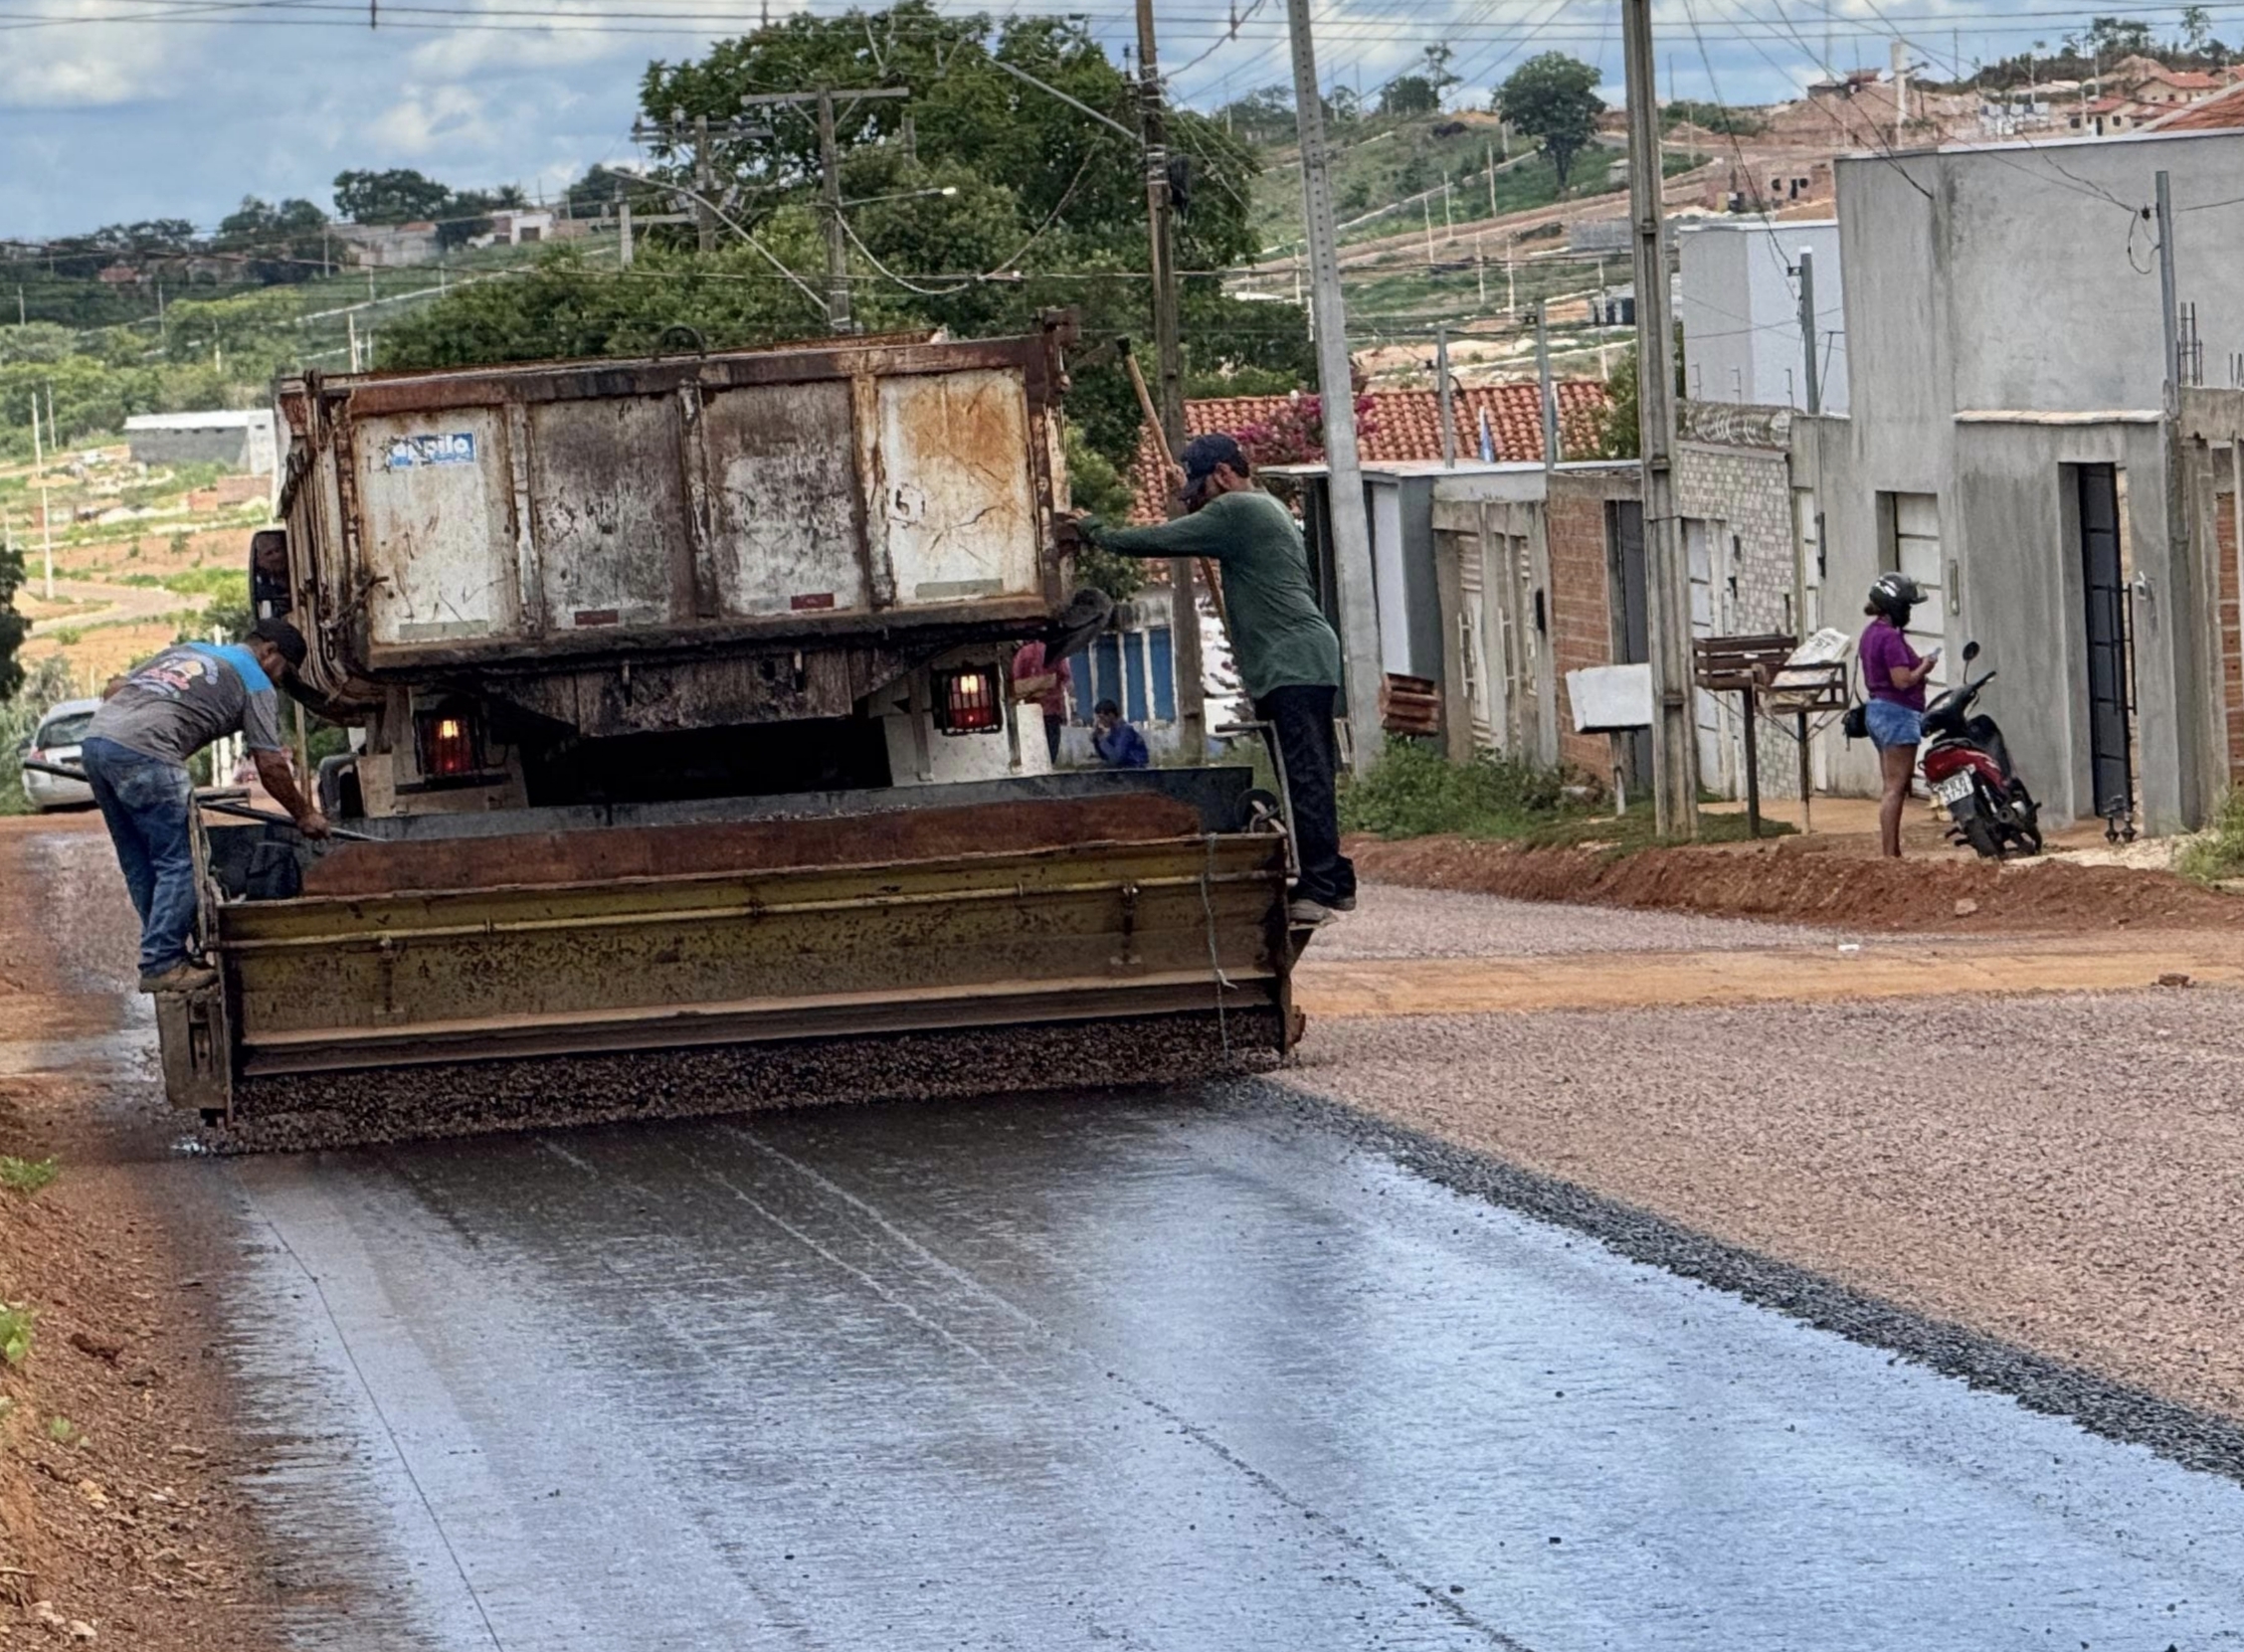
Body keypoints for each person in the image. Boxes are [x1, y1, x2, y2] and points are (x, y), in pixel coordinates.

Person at [1071, 433, 1356, 926]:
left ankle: (1320, 890)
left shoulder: (1237, 512)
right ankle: (1335, 881)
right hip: (1296, 661)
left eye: (1202, 490)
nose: (1199, 502)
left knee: (1304, 778)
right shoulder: (1263, 509)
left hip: (1292, 664)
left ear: (1225, 473)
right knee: (1304, 776)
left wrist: (1092, 529)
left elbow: (1153, 540)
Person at [79, 619, 330, 993]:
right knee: (179, 863)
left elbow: (115, 689)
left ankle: (164, 954)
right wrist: (304, 814)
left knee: (139, 860)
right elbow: (271, 765)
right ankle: (163, 961)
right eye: (285, 672)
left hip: (98, 742)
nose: (281, 681)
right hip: (148, 750)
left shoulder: (190, 650)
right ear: (269, 652)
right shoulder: (257, 682)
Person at [1858, 573, 1941, 859]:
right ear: (1894, 608)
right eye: (1906, 607)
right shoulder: (1890, 638)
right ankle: (1890, 855)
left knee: (1889, 785)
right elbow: (1902, 680)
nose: (1908, 613)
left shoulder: (1870, 633)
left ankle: (1891, 851)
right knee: (1895, 788)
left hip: (1877, 712)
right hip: (1897, 713)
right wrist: (1926, 667)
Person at [1010, 638, 1072, 763]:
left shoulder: (1022, 653)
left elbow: (1014, 683)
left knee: (1034, 754)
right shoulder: (1055, 652)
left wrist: (1031, 687)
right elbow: (1066, 678)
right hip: (1052, 710)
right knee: (1051, 753)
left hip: (1031, 712)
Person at [1091, 699, 1150, 769]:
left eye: (1102, 717)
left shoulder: (1125, 731)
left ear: (1111, 715)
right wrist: (1096, 740)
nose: (1100, 721)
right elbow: (1105, 756)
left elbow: (1117, 759)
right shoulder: (1113, 732)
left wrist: (1101, 739)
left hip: (1135, 769)